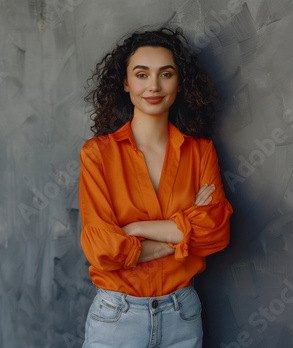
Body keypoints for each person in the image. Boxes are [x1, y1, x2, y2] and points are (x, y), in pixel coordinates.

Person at [78, 27, 233, 347]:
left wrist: (135, 228)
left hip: (182, 316)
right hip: (116, 317)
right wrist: (183, 232)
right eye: (141, 74)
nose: (153, 85)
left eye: (166, 73)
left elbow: (216, 231)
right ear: (125, 82)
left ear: (179, 83)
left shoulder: (200, 150)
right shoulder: (97, 154)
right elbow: (103, 249)